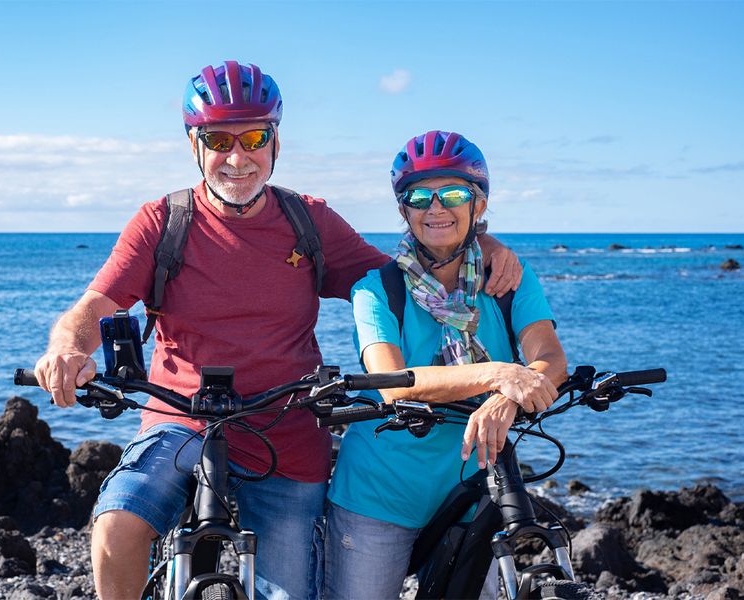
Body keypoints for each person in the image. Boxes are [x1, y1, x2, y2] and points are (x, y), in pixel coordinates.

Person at [33, 63, 521, 600]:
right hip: (181, 419)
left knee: (289, 595)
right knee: (116, 528)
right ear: (194, 145)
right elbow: (94, 304)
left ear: (276, 143)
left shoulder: (308, 222)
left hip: (286, 432)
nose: (237, 157)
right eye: (218, 139)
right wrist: (65, 348)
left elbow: (408, 281)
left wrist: (480, 242)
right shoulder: (161, 222)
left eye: (254, 137)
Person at [324, 130, 568, 599]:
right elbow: (392, 383)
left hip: (475, 489)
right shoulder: (376, 290)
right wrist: (499, 374)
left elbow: (550, 358)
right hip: (379, 492)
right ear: (403, 210)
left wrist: (505, 402)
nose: (435, 208)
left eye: (453, 193)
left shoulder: (507, 279)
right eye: (419, 196)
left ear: (478, 205)